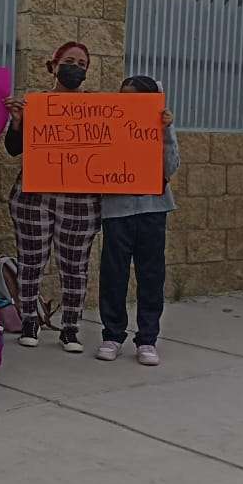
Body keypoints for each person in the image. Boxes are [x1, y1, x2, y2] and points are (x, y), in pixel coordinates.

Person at [2, 41, 100, 353]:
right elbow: (14, 148)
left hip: (80, 199)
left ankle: (71, 328)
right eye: (69, 61)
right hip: (35, 195)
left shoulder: (98, 110)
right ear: (54, 65)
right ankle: (29, 320)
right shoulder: (37, 105)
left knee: (75, 265)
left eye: (82, 63)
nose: (75, 67)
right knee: (31, 261)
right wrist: (17, 122)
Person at [95, 76, 179, 366]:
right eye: (122, 95)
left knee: (151, 274)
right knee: (114, 272)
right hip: (117, 209)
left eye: (134, 97)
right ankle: (112, 334)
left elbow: (171, 167)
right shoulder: (108, 123)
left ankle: (147, 338)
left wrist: (166, 132)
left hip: (152, 208)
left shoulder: (160, 124)